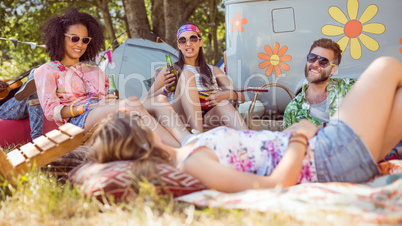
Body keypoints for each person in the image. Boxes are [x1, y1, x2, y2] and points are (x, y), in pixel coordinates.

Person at [89, 56, 402, 193]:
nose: (148, 123)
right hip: (326, 157)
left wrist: (290, 135)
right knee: (386, 66)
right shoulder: (192, 161)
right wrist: (300, 137)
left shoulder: (190, 153)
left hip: (327, 154)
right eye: (142, 124)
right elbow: (273, 186)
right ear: (143, 141)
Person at [34, 8, 189, 148]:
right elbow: (51, 111)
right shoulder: (47, 70)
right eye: (74, 38)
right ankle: (182, 149)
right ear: (60, 38)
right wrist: (88, 107)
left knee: (160, 101)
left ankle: (190, 140)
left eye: (85, 40)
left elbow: (110, 98)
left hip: (102, 110)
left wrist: (109, 101)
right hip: (77, 122)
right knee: (133, 103)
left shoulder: (95, 70)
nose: (80, 44)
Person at [147, 23, 248, 133]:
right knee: (187, 75)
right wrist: (165, 89)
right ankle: (198, 135)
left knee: (224, 104)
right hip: (180, 116)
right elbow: (147, 99)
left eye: (193, 39)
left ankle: (252, 140)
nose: (188, 44)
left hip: (207, 116)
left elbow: (241, 97)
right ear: (178, 45)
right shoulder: (171, 68)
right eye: (183, 40)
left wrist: (226, 94)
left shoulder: (213, 70)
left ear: (200, 42)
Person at [283, 38, 356, 129]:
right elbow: (288, 140)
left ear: (333, 69)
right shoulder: (293, 110)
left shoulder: (348, 87)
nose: (315, 64)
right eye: (312, 58)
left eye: (323, 62)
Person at [0, 70, 44, 139]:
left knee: (34, 72)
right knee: (30, 91)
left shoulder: (8, 83)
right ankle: (36, 136)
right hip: (4, 111)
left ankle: (37, 137)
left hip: (23, 102)